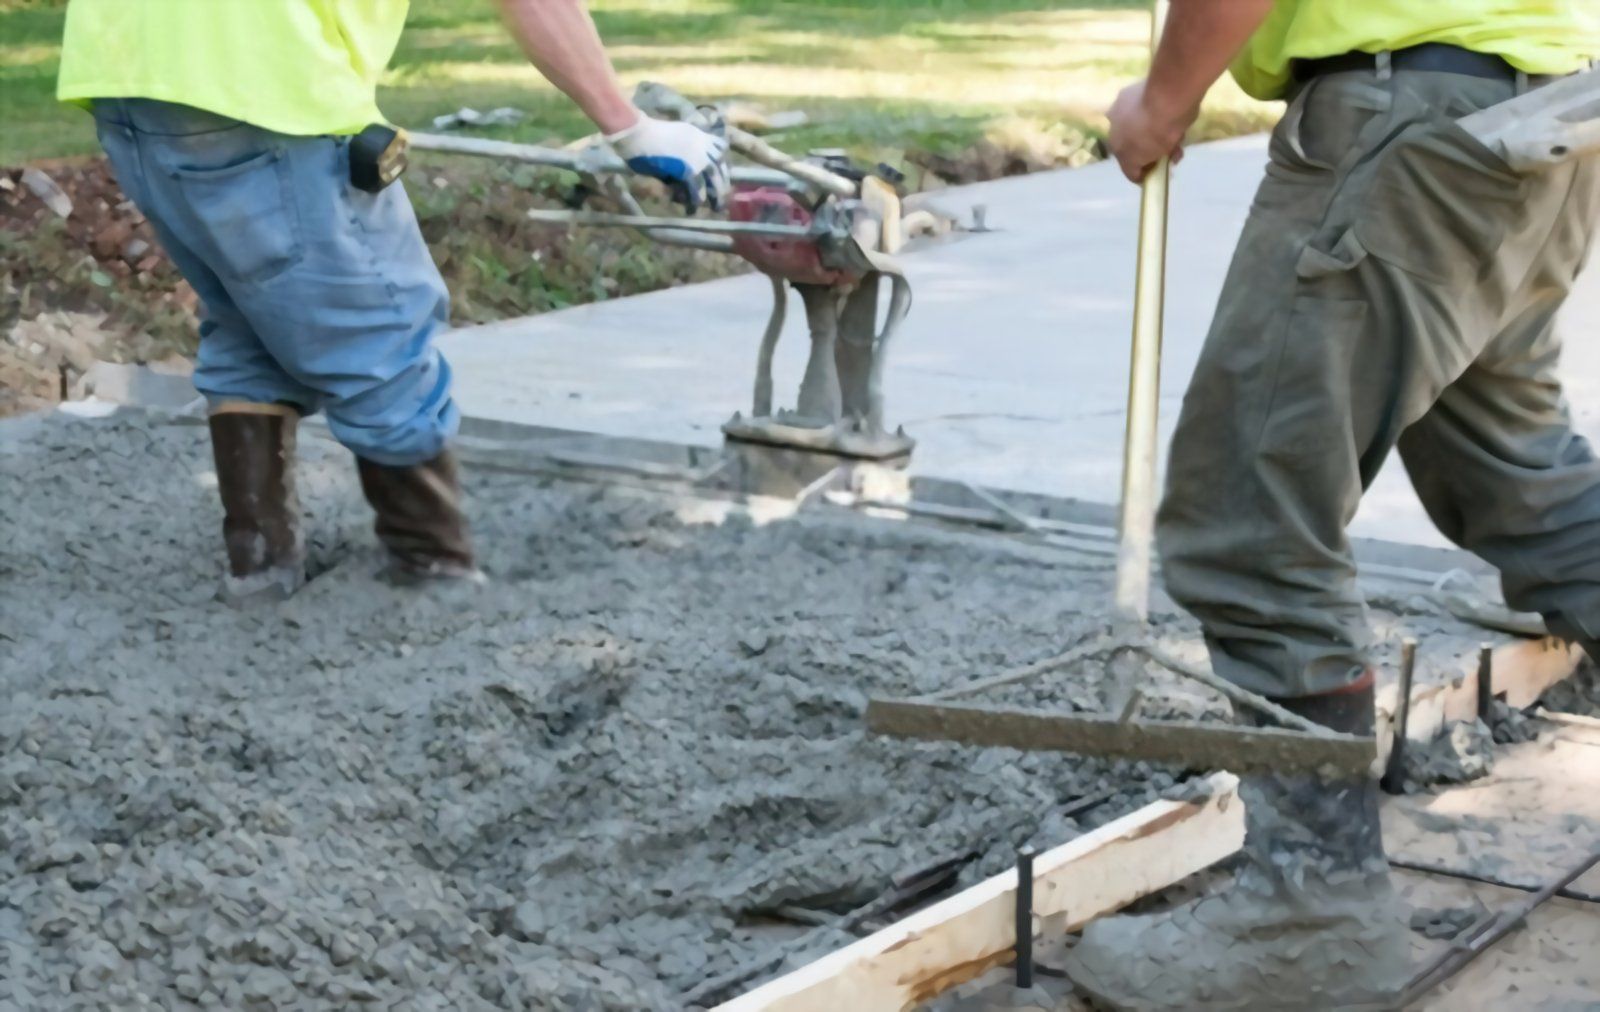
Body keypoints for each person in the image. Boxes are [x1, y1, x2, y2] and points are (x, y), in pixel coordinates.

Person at [1064, 1, 1600, 1006]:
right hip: (1536, 112)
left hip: (1406, 123)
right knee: (1523, 477)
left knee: (1250, 516)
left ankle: (1307, 916)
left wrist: (1162, 100)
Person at [56, 0, 729, 598]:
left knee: (247, 320)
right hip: (262, 81)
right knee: (382, 324)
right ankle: (432, 576)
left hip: (129, 76)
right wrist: (629, 125)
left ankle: (258, 568)